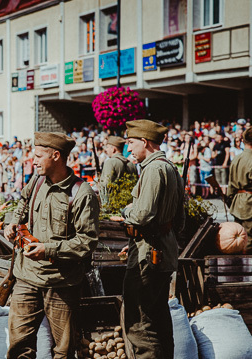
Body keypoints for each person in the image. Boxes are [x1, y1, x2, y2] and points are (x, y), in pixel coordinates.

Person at [4, 132, 100, 358]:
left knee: (63, 350)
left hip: (61, 283)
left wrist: (48, 250)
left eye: (38, 156)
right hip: (26, 277)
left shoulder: (81, 194)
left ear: (56, 156)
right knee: (19, 346)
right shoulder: (37, 181)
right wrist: (13, 222)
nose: (33, 160)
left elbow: (87, 242)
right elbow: (23, 202)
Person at [121, 120, 185, 359]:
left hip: (149, 255)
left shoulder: (153, 169)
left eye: (131, 143)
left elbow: (142, 214)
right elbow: (180, 219)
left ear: (144, 142)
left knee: (139, 323)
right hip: (162, 250)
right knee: (158, 319)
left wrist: (126, 211)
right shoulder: (169, 167)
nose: (128, 150)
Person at [227, 127, 252, 253]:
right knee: (248, 241)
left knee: (238, 239)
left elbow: (231, 185)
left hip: (238, 202)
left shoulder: (237, 158)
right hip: (250, 204)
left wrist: (230, 201)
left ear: (243, 140)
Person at [99, 136, 137, 205]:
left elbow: (105, 186)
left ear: (113, 149)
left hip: (113, 204)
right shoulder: (131, 164)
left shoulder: (110, 162)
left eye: (107, 147)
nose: (106, 150)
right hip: (129, 204)